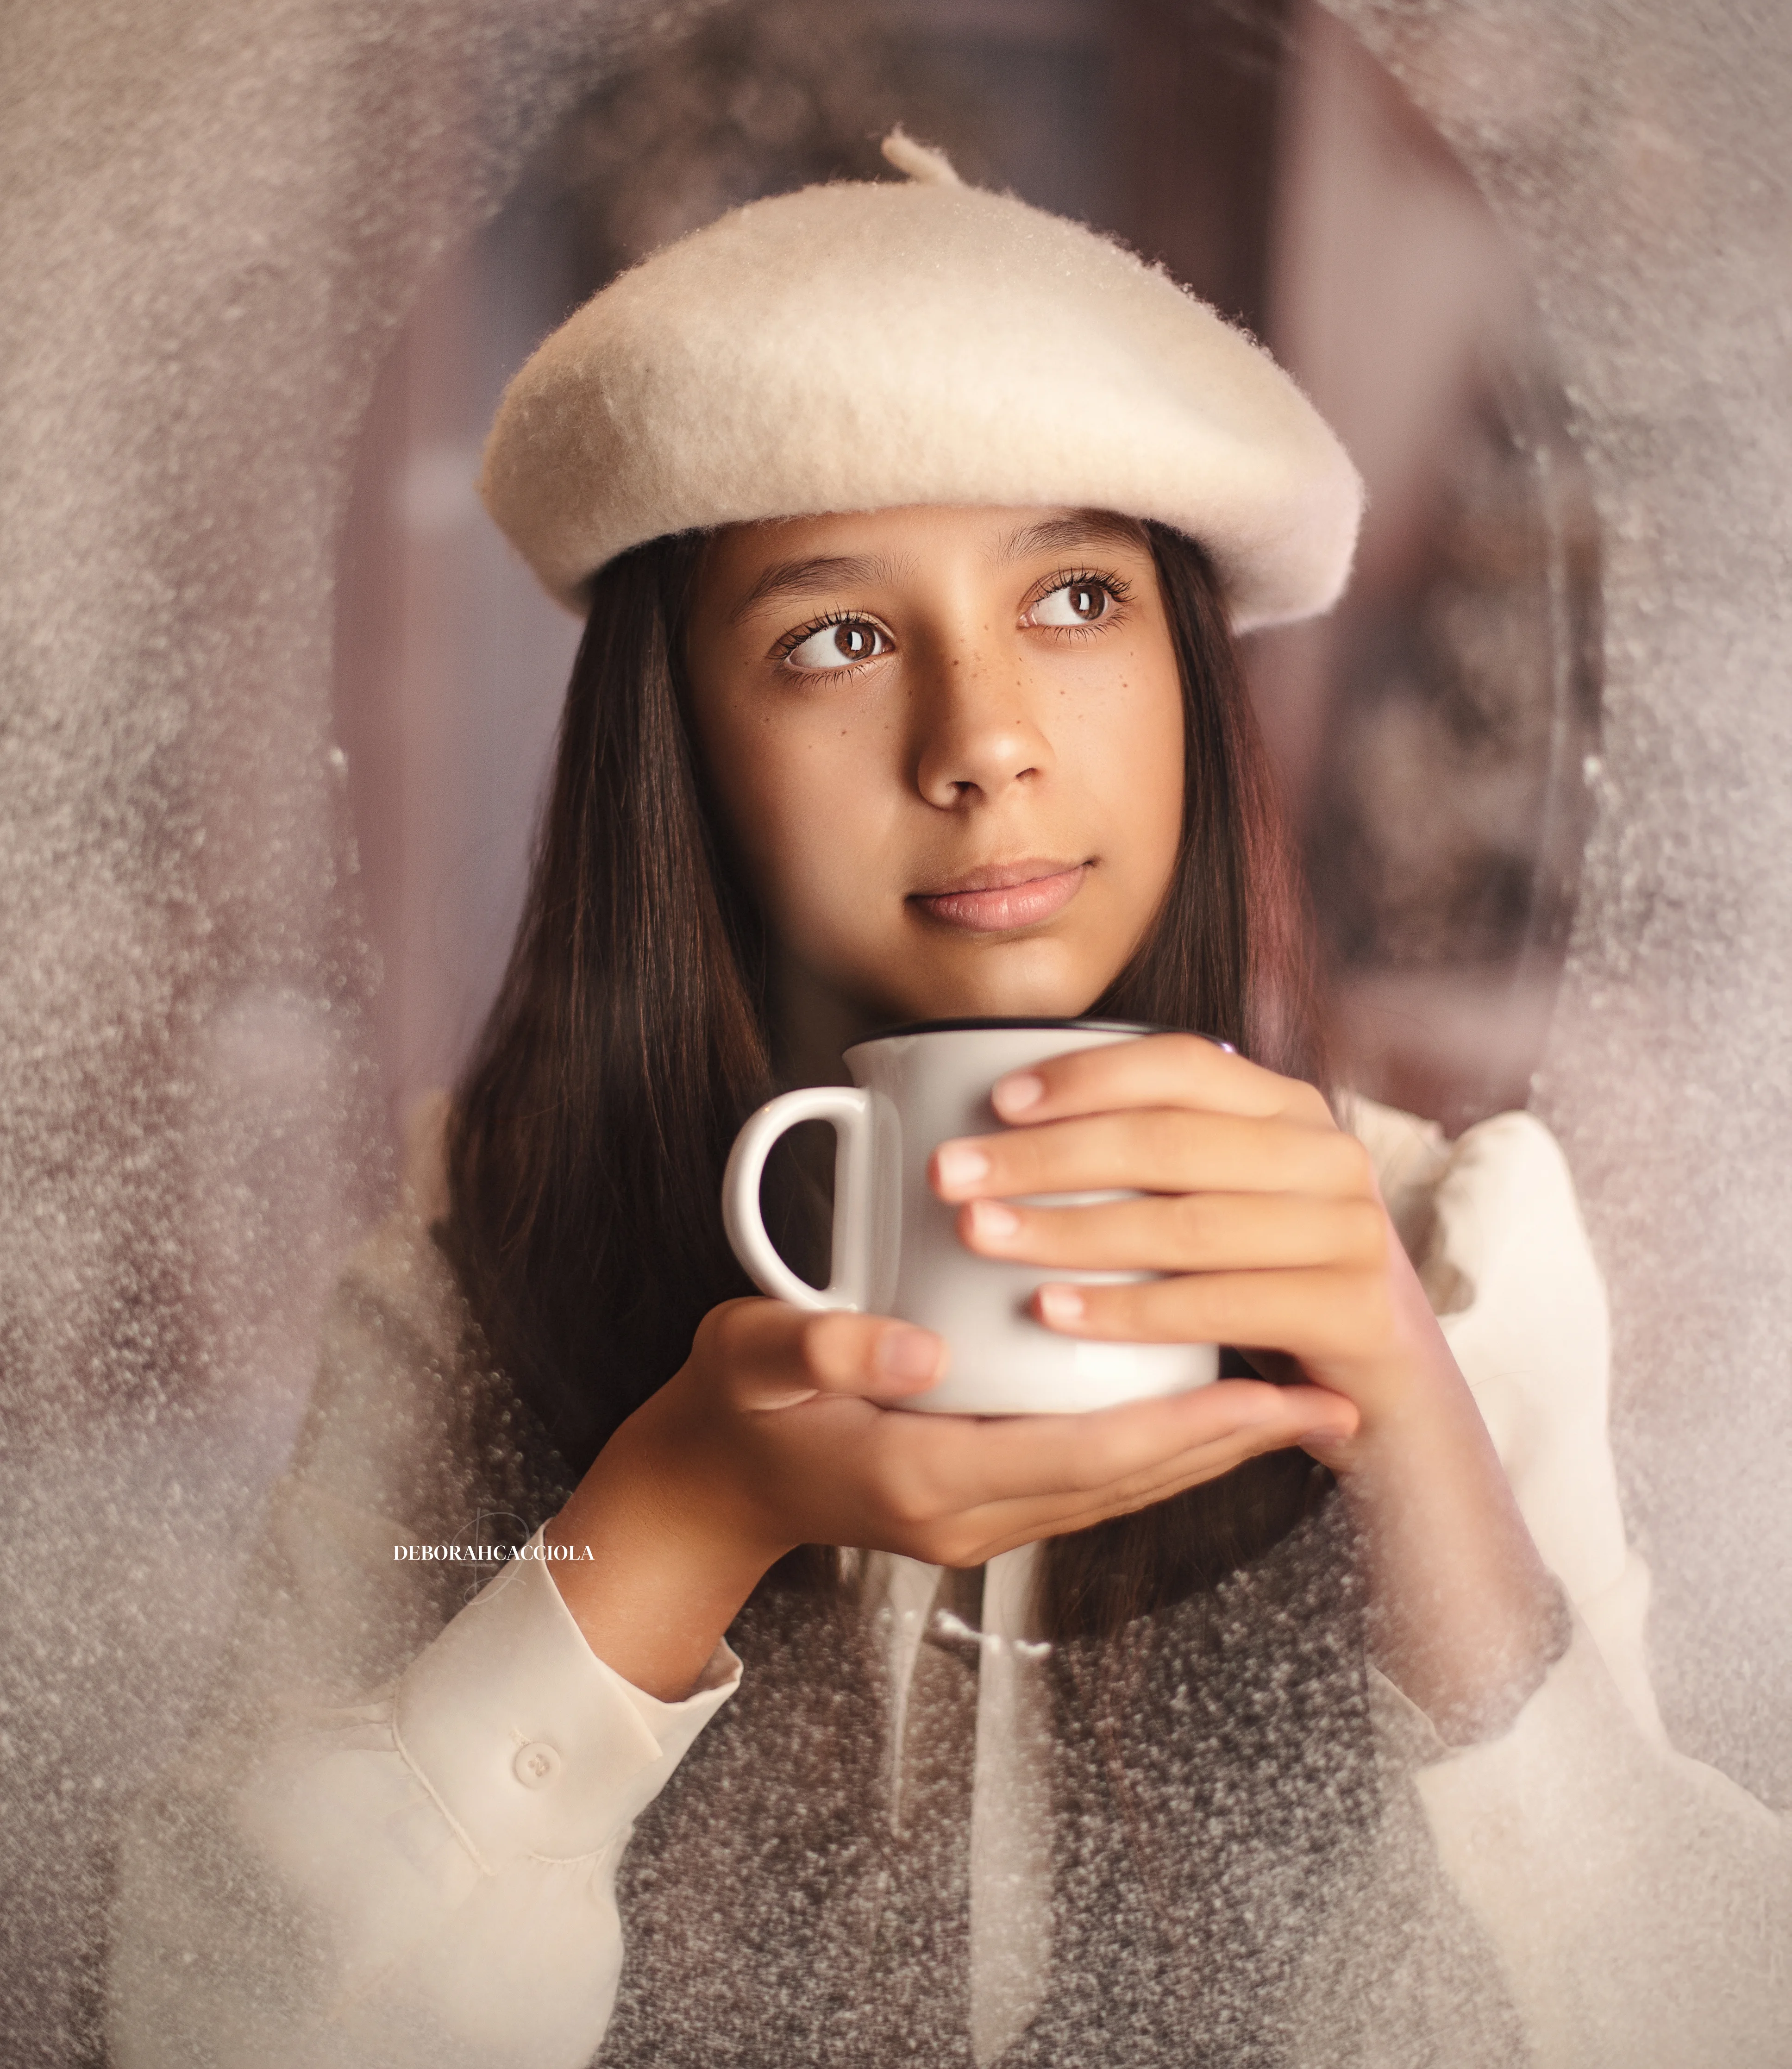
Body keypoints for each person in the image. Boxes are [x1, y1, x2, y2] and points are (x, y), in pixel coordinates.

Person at [110, 136, 1786, 2069]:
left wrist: (1419, 1439)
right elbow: (193, 2026)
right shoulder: (478, 1270)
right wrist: (661, 1531)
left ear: (1188, 667)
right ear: (684, 755)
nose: (983, 742)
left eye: (1075, 599)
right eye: (836, 637)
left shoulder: (1444, 1246)